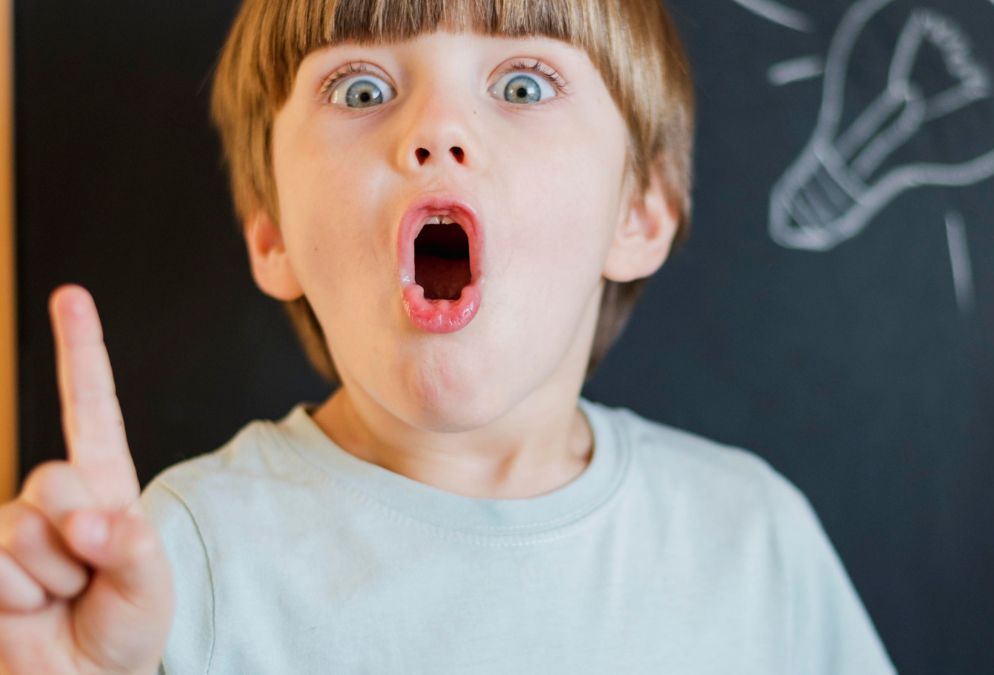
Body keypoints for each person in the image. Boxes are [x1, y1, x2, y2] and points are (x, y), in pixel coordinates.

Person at [0, 0, 897, 672]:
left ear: (639, 213)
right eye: (360, 88)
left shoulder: (750, 544)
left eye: (522, 84)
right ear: (273, 233)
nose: (436, 130)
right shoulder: (169, 564)